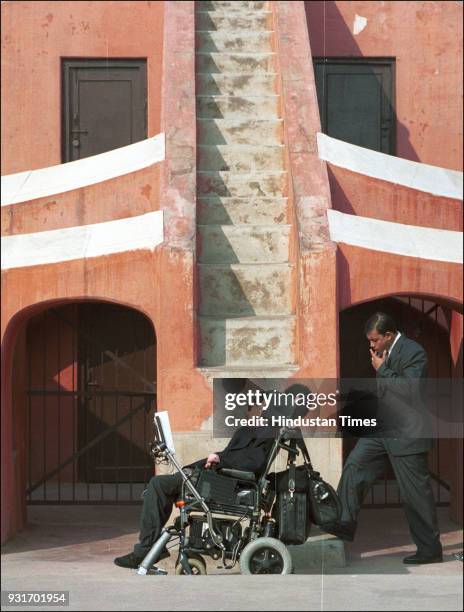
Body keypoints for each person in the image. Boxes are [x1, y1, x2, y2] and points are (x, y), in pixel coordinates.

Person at [325, 312, 443, 565]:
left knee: (415, 496)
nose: (371, 345)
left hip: (408, 435)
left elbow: (411, 390)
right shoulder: (382, 352)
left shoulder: (413, 352)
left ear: (389, 335)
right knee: (355, 465)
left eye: (375, 340)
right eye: (370, 341)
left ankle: (430, 550)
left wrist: (382, 370)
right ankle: (343, 526)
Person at [114, 399, 272, 570]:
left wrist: (220, 459)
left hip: (225, 484)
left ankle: (146, 549)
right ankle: (149, 547)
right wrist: (212, 460)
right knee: (162, 488)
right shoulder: (251, 430)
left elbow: (254, 462)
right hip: (215, 477)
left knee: (159, 485)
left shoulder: (265, 432)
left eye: (256, 406)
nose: (251, 410)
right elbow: (231, 455)